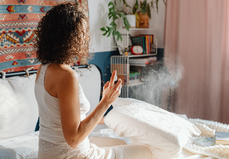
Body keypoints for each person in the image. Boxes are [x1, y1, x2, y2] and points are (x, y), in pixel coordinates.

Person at [35, 2, 152, 159]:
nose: (86, 37)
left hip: (47, 155)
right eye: (82, 32)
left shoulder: (43, 68)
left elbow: (64, 121)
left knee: (122, 143)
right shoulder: (67, 76)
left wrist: (111, 118)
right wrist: (106, 102)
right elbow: (74, 139)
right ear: (68, 37)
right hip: (73, 156)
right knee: (147, 151)